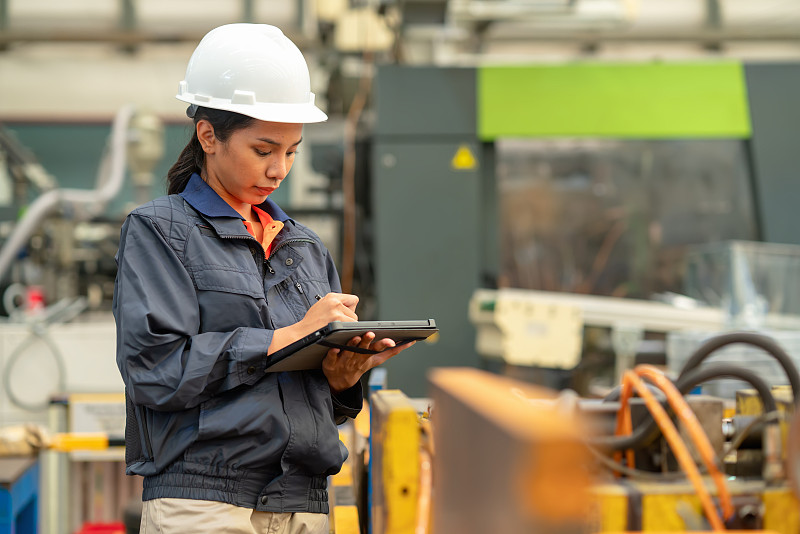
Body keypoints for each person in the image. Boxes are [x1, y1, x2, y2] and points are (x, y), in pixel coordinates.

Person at [113, 23, 413, 533]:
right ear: (208, 135)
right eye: (264, 149)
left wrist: (341, 380)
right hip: (204, 502)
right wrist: (287, 338)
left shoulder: (303, 247)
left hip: (304, 501)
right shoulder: (161, 232)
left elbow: (309, 399)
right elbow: (155, 371)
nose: (280, 169)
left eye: (292, 151)